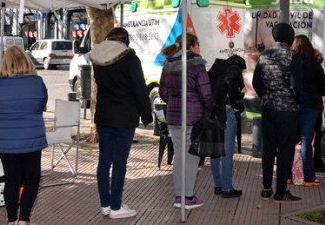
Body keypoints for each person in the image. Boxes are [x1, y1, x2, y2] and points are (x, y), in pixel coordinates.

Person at [90, 27, 152, 219]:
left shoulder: (97, 58)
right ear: (125, 41)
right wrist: (147, 116)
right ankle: (116, 206)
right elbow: (139, 89)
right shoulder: (130, 59)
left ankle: (106, 204)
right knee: (119, 163)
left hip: (103, 116)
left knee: (104, 161)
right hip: (124, 117)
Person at [0, 46, 48, 225]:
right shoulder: (37, 82)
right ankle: (24, 220)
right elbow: (42, 105)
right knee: (32, 179)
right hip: (32, 137)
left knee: (12, 179)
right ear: (26, 61)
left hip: (6, 139)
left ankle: (11, 219)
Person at [159, 33, 214, 210]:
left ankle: (179, 195)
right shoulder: (197, 65)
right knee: (190, 157)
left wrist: (175, 101)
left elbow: (163, 93)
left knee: (179, 156)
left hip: (173, 117)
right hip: (192, 116)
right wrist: (212, 107)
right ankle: (187, 196)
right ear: (192, 45)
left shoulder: (168, 64)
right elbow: (206, 93)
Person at [252, 22, 303, 203]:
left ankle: (266, 188)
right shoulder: (294, 57)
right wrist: (297, 101)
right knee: (284, 151)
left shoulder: (264, 55)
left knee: (268, 149)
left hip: (268, 109)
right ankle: (281, 191)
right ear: (290, 38)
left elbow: (256, 82)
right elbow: (297, 86)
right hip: (288, 111)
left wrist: (266, 96)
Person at [291, 35, 325, 186]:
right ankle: (308, 177)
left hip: (292, 105)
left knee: (290, 140)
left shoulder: (290, 63)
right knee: (306, 140)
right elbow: (324, 89)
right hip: (310, 106)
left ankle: (288, 175)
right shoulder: (314, 64)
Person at [208, 54, 245, 198]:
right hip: (226, 113)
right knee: (227, 152)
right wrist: (230, 98)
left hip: (213, 113)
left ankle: (218, 186)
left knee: (215, 151)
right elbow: (229, 82)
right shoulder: (234, 69)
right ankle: (227, 188)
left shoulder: (216, 67)